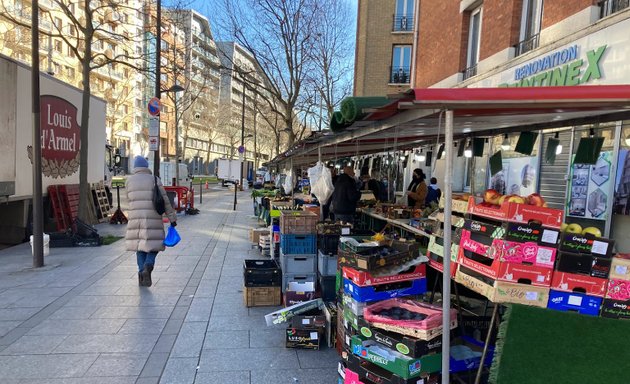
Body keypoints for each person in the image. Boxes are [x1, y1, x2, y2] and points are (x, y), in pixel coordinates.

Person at [125, 156, 177, 287]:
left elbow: (128, 201)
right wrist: (172, 218)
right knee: (155, 244)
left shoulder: (129, 181)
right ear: (146, 166)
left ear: (135, 168)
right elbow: (165, 200)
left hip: (135, 219)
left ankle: (141, 273)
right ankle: (148, 266)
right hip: (152, 218)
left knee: (140, 246)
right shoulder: (154, 180)